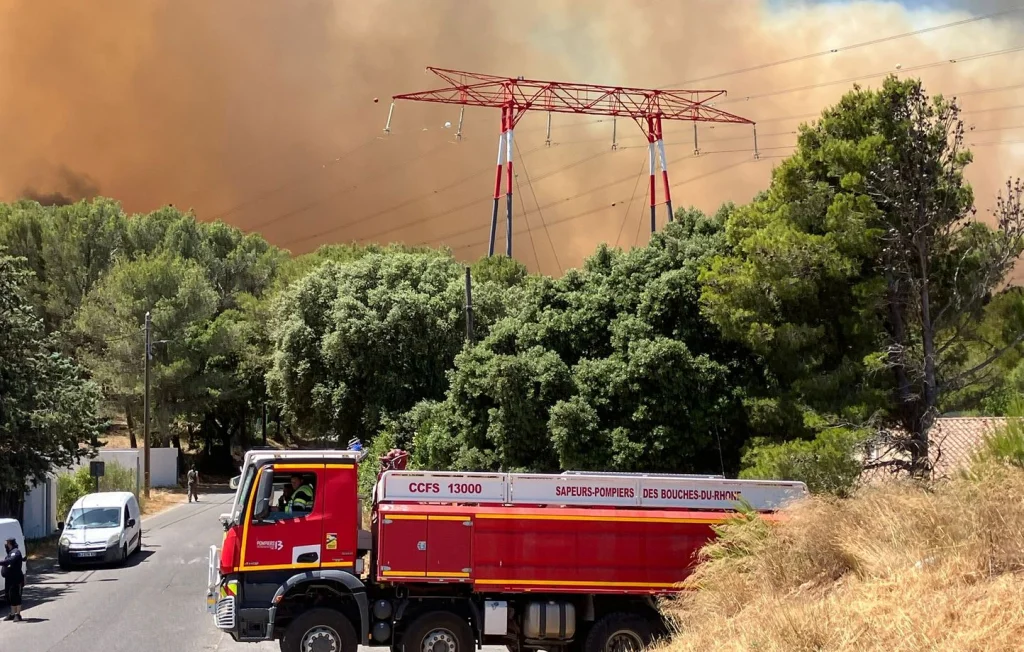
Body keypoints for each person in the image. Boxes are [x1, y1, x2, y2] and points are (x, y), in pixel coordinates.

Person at [0, 538, 24, 622]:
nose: (5, 545)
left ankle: (18, 614)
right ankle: (12, 614)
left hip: (16, 578)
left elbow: (10, 561)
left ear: (10, 543)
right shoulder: (10, 553)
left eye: (7, 543)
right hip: (9, 578)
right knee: (9, 596)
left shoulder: (16, 552)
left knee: (16, 596)